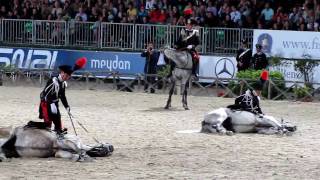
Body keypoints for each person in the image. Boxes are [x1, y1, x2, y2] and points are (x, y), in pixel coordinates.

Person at [37, 57, 87, 135]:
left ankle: (58, 134)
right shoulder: (53, 81)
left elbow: (62, 96)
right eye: (66, 75)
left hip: (55, 104)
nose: (67, 78)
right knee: (48, 123)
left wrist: (66, 106)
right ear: (62, 73)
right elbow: (46, 94)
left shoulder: (63, 83)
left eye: (68, 76)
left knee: (58, 121)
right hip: (46, 104)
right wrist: (51, 104)